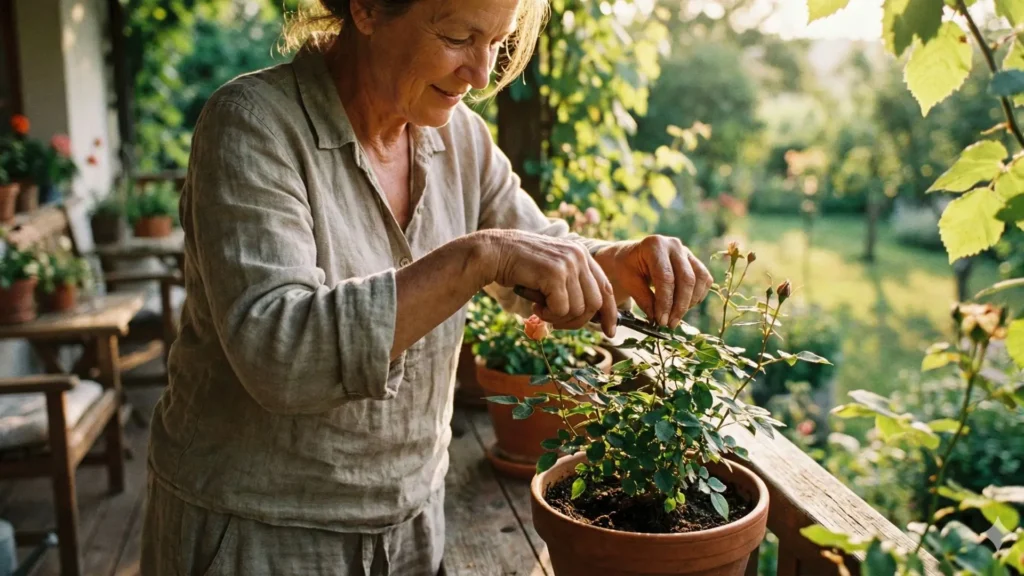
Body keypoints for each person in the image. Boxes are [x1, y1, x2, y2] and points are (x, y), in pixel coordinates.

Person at [140, 0, 713, 574]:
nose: (482, 73)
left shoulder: (460, 137)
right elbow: (281, 354)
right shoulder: (251, 124)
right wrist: (476, 258)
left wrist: (621, 260)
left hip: (412, 528)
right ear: (366, 9)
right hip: (259, 535)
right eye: (460, 36)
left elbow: (534, 248)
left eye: (498, 41)